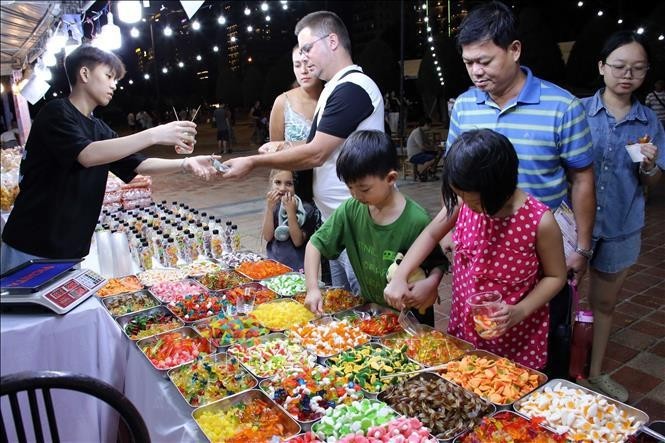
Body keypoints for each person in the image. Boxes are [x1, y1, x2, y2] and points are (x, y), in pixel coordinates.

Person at [0, 45, 217, 273]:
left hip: (69, 249)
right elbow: (87, 155)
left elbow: (139, 164)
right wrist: (155, 134)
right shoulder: (56, 113)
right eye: (109, 76)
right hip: (32, 246)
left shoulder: (99, 128)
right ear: (84, 74)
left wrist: (186, 163)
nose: (114, 85)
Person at [221, 11, 385, 294]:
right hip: (337, 221)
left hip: (359, 223)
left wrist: (252, 161)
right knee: (342, 302)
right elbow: (320, 144)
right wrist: (282, 146)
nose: (305, 58)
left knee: (366, 304)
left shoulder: (352, 88)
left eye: (308, 48)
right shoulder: (335, 89)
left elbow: (316, 154)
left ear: (332, 41)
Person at [385, 129, 567, 370]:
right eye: (460, 196)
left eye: (473, 201)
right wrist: (400, 276)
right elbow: (431, 234)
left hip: (514, 332)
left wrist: (519, 311)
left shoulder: (539, 221)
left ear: (499, 188)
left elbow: (557, 276)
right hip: (465, 324)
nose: (465, 204)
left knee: (505, 387)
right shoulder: (463, 202)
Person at [446, 1, 595, 286]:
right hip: (481, 239)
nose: (476, 71)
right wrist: (447, 230)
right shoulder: (464, 106)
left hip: (544, 242)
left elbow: (582, 180)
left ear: (514, 50)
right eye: (468, 62)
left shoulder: (562, 107)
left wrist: (582, 248)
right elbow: (456, 177)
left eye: (485, 61)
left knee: (542, 319)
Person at [577, 31, 664, 401]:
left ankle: (594, 373)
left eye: (638, 69)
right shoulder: (578, 112)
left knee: (604, 304)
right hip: (572, 228)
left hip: (621, 227)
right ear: (601, 67)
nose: (627, 75)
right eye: (619, 66)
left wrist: (649, 167)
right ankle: (560, 366)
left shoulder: (649, 123)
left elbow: (655, 180)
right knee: (558, 297)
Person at [304, 131, 448, 326]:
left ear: (390, 178)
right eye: (350, 188)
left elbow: (438, 263)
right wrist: (312, 288)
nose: (356, 195)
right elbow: (315, 245)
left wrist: (431, 285)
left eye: (364, 189)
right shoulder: (351, 209)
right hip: (373, 316)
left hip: (412, 321)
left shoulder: (416, 220)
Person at [262, 169, 318, 271]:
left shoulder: (306, 209)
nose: (282, 188)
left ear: (295, 186)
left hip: (296, 266)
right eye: (278, 182)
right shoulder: (274, 205)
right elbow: (267, 236)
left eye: (288, 184)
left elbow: (298, 241)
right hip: (274, 263)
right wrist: (269, 209)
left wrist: (291, 212)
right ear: (271, 182)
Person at [269, 45, 324, 146]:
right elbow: (274, 152)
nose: (303, 71)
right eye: (297, 65)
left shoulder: (334, 96)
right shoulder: (283, 102)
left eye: (308, 63)